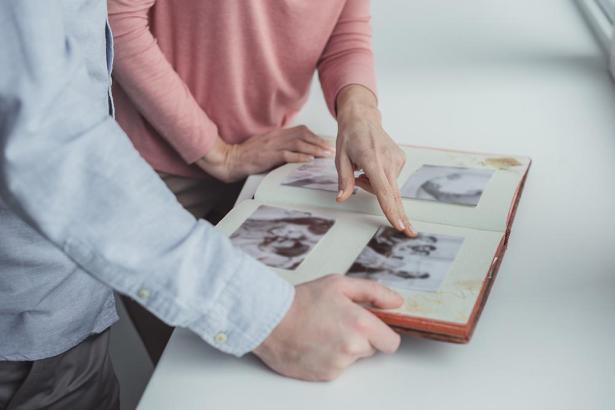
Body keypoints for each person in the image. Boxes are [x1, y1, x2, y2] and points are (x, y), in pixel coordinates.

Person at [0, 1, 408, 409]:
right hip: (41, 302)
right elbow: (50, 141)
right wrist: (271, 320)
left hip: (68, 298)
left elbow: (345, 23)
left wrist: (359, 107)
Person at [107, 0, 416, 361]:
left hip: (267, 164)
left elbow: (344, 31)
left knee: (282, 349)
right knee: (196, 367)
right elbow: (116, 16)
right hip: (155, 172)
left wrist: (360, 111)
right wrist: (219, 153)